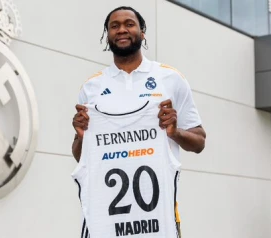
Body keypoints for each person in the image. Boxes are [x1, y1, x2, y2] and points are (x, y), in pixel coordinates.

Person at [71, 6, 206, 237]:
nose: (122, 30)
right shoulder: (91, 88)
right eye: (114, 26)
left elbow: (200, 142)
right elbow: (80, 156)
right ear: (107, 35)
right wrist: (82, 136)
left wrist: (175, 133)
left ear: (142, 32)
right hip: (106, 224)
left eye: (129, 24)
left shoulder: (170, 79)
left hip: (158, 221)